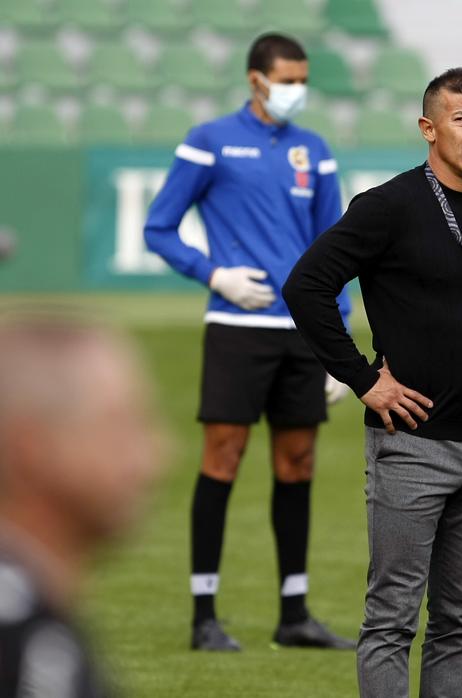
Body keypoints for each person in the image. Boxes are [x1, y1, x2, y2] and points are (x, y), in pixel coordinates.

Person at [283, 67, 462, 697]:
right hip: (412, 446)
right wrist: (362, 379)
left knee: (461, 623)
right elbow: (307, 286)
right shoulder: (388, 207)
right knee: (392, 620)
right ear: (429, 129)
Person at [143, 32, 354, 652]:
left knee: (298, 465)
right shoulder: (209, 141)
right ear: (255, 79)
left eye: (303, 78)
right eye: (288, 78)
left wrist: (338, 345)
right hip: (237, 329)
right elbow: (158, 227)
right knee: (223, 459)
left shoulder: (315, 152)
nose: (298, 90)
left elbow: (334, 251)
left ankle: (294, 615)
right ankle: (203, 615)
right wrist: (214, 275)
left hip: (302, 334)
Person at [0, 317, 165, 697]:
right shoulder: (21, 642)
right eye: (118, 429)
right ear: (32, 450)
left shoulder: (37, 621)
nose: (153, 457)